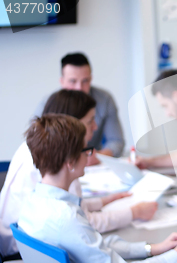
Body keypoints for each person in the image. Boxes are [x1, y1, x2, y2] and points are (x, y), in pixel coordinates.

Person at [17, 114, 177, 263]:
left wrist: (152, 248)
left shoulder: (33, 204)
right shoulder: (67, 219)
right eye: (86, 150)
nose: (89, 156)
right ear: (70, 162)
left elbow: (95, 246)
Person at [0, 90, 157, 259]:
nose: (95, 127)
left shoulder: (41, 169)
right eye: (85, 150)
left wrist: (103, 201)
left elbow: (72, 212)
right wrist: (176, 254)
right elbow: (80, 224)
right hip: (17, 250)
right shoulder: (65, 208)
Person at [34, 52, 125, 159]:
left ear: (91, 79)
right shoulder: (50, 103)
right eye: (72, 81)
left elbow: (116, 141)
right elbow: (35, 139)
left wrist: (94, 157)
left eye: (85, 81)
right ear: (62, 81)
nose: (79, 88)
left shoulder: (104, 100)